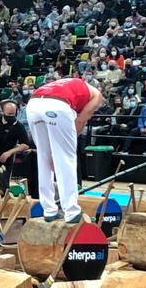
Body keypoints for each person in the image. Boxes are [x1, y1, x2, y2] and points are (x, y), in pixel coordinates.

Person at [26, 77, 104, 224]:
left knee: (43, 158)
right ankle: (71, 211)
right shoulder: (97, 95)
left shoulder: (68, 84)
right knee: (66, 159)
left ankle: (49, 209)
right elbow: (80, 122)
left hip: (33, 104)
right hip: (57, 105)